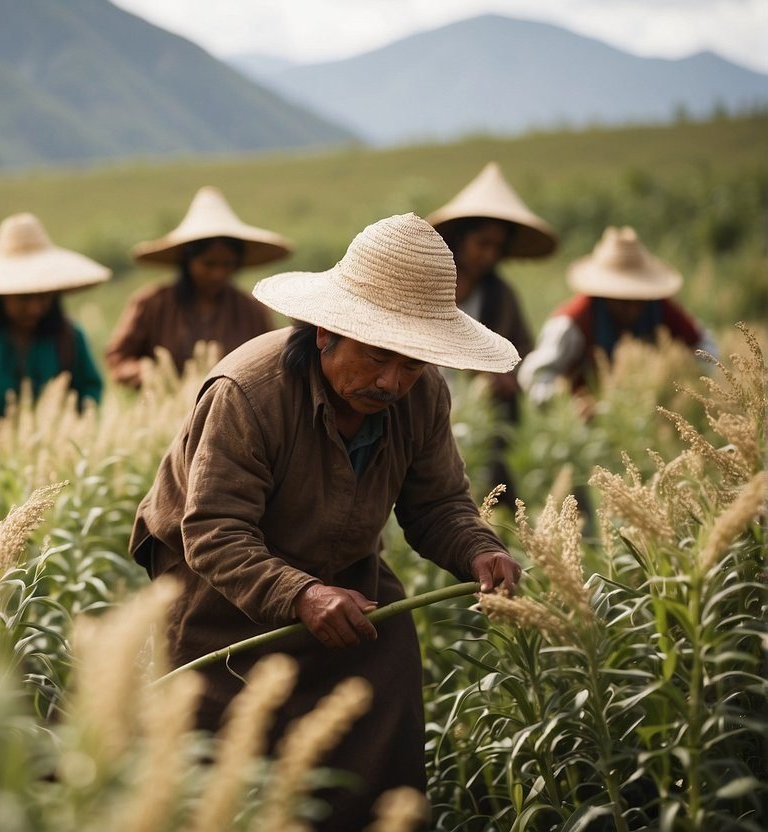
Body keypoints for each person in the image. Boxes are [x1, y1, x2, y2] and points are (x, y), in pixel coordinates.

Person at [131, 213, 524, 828]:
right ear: (324, 334)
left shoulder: (421, 396)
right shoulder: (250, 392)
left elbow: (437, 504)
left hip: (344, 577)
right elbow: (214, 531)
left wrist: (478, 549)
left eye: (412, 362)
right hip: (219, 590)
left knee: (380, 696)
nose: (392, 381)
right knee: (214, 759)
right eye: (376, 357)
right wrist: (301, 593)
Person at [428, 161, 557, 505]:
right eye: (481, 243)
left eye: (497, 247)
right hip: (428, 405)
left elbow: (523, 355)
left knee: (478, 495)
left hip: (480, 421)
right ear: (460, 238)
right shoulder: (431, 282)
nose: (489, 254)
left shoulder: (500, 295)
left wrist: (507, 376)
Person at [0, 212, 109, 447]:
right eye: (23, 298)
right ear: (1, 295)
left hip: (54, 456)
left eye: (43, 297)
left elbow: (89, 389)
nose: (34, 308)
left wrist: (74, 426)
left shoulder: (69, 336)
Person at [104, 186, 290, 387]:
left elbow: (272, 362)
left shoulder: (250, 309)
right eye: (208, 264)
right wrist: (151, 375)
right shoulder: (152, 303)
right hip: (163, 408)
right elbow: (118, 357)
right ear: (187, 262)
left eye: (227, 264)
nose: (218, 273)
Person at [518, 225, 718, 408]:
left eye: (637, 299)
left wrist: (690, 383)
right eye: (623, 300)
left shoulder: (659, 307)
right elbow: (535, 375)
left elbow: (705, 347)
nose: (632, 309)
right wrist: (569, 405)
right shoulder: (572, 322)